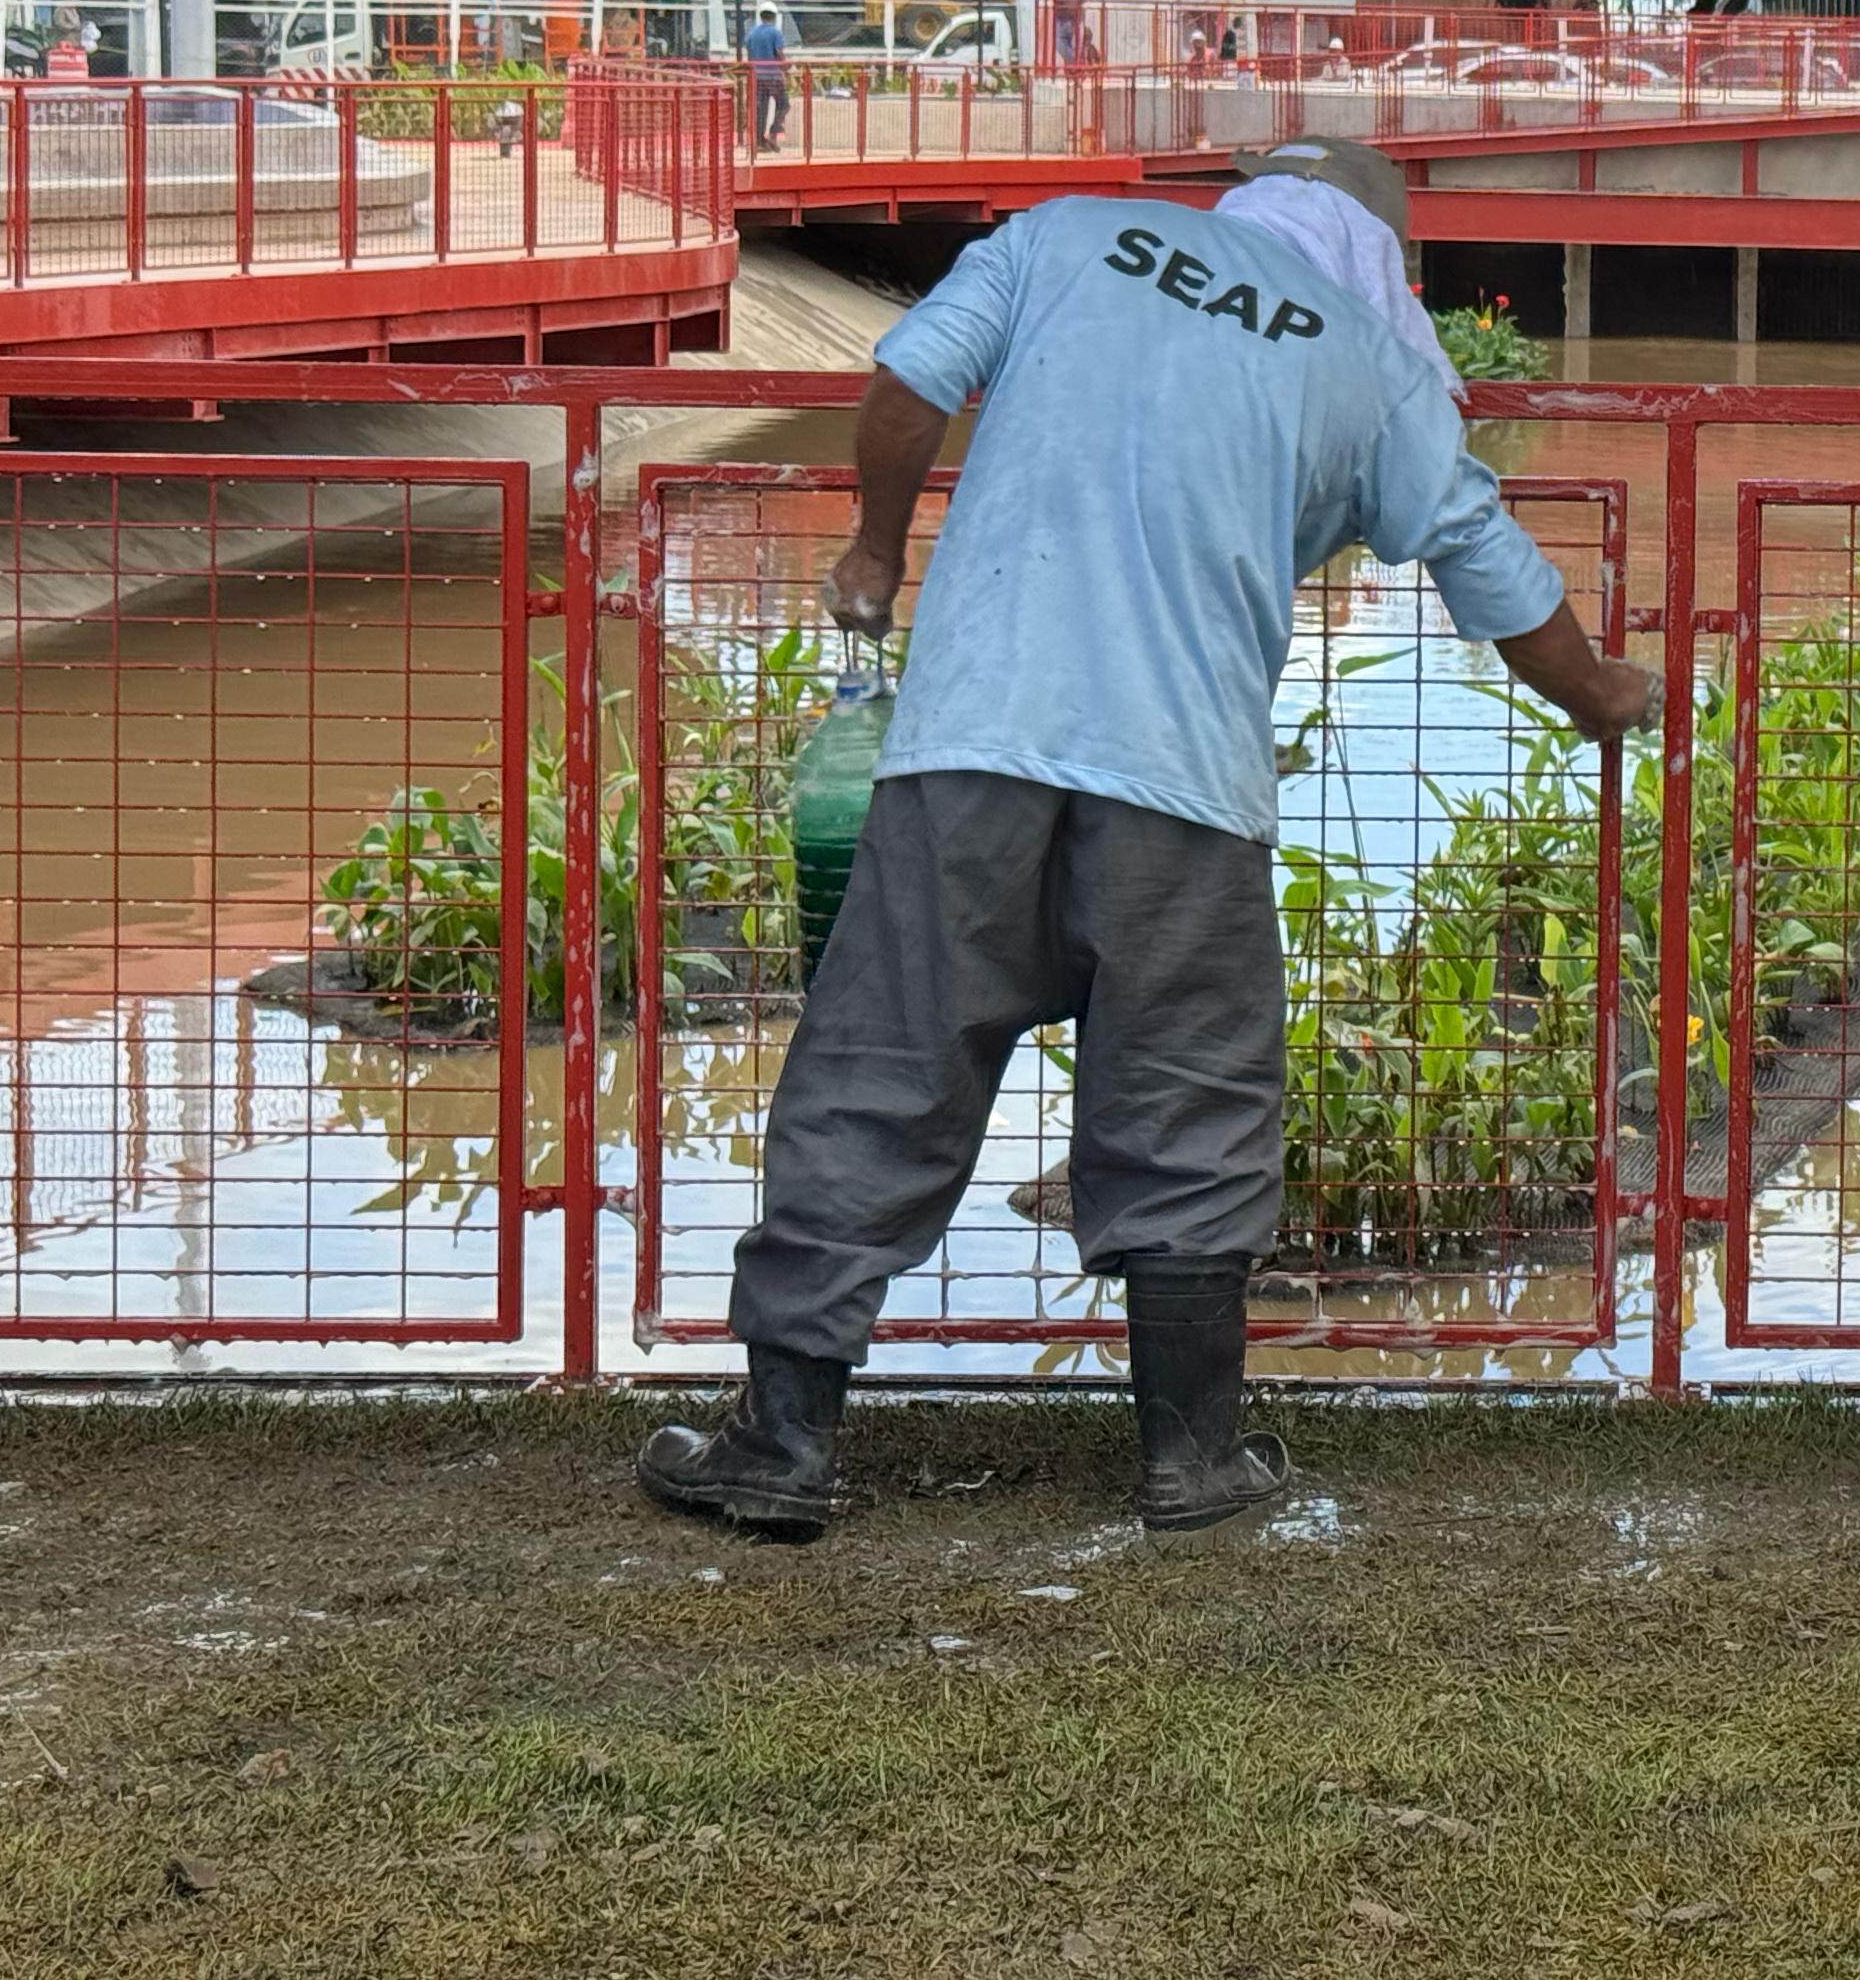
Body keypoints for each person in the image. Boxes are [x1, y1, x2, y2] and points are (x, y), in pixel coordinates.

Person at [638, 137, 1660, 1542]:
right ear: (1379, 253)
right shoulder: (1367, 356)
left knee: (881, 1066)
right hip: (1185, 787)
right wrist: (1603, 694)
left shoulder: (1066, 236)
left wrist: (876, 552)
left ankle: (783, 1442)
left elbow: (907, 383)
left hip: (972, 744)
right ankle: (1192, 1458)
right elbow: (1478, 550)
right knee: (1188, 1103)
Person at [742, 5, 790, 148]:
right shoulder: (775, 33)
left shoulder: (751, 33)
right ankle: (773, 131)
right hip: (773, 76)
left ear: (760, 15)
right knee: (783, 104)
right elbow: (778, 51)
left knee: (760, 108)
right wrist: (785, 65)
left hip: (757, 75)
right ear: (774, 17)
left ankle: (759, 140)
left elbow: (749, 54)